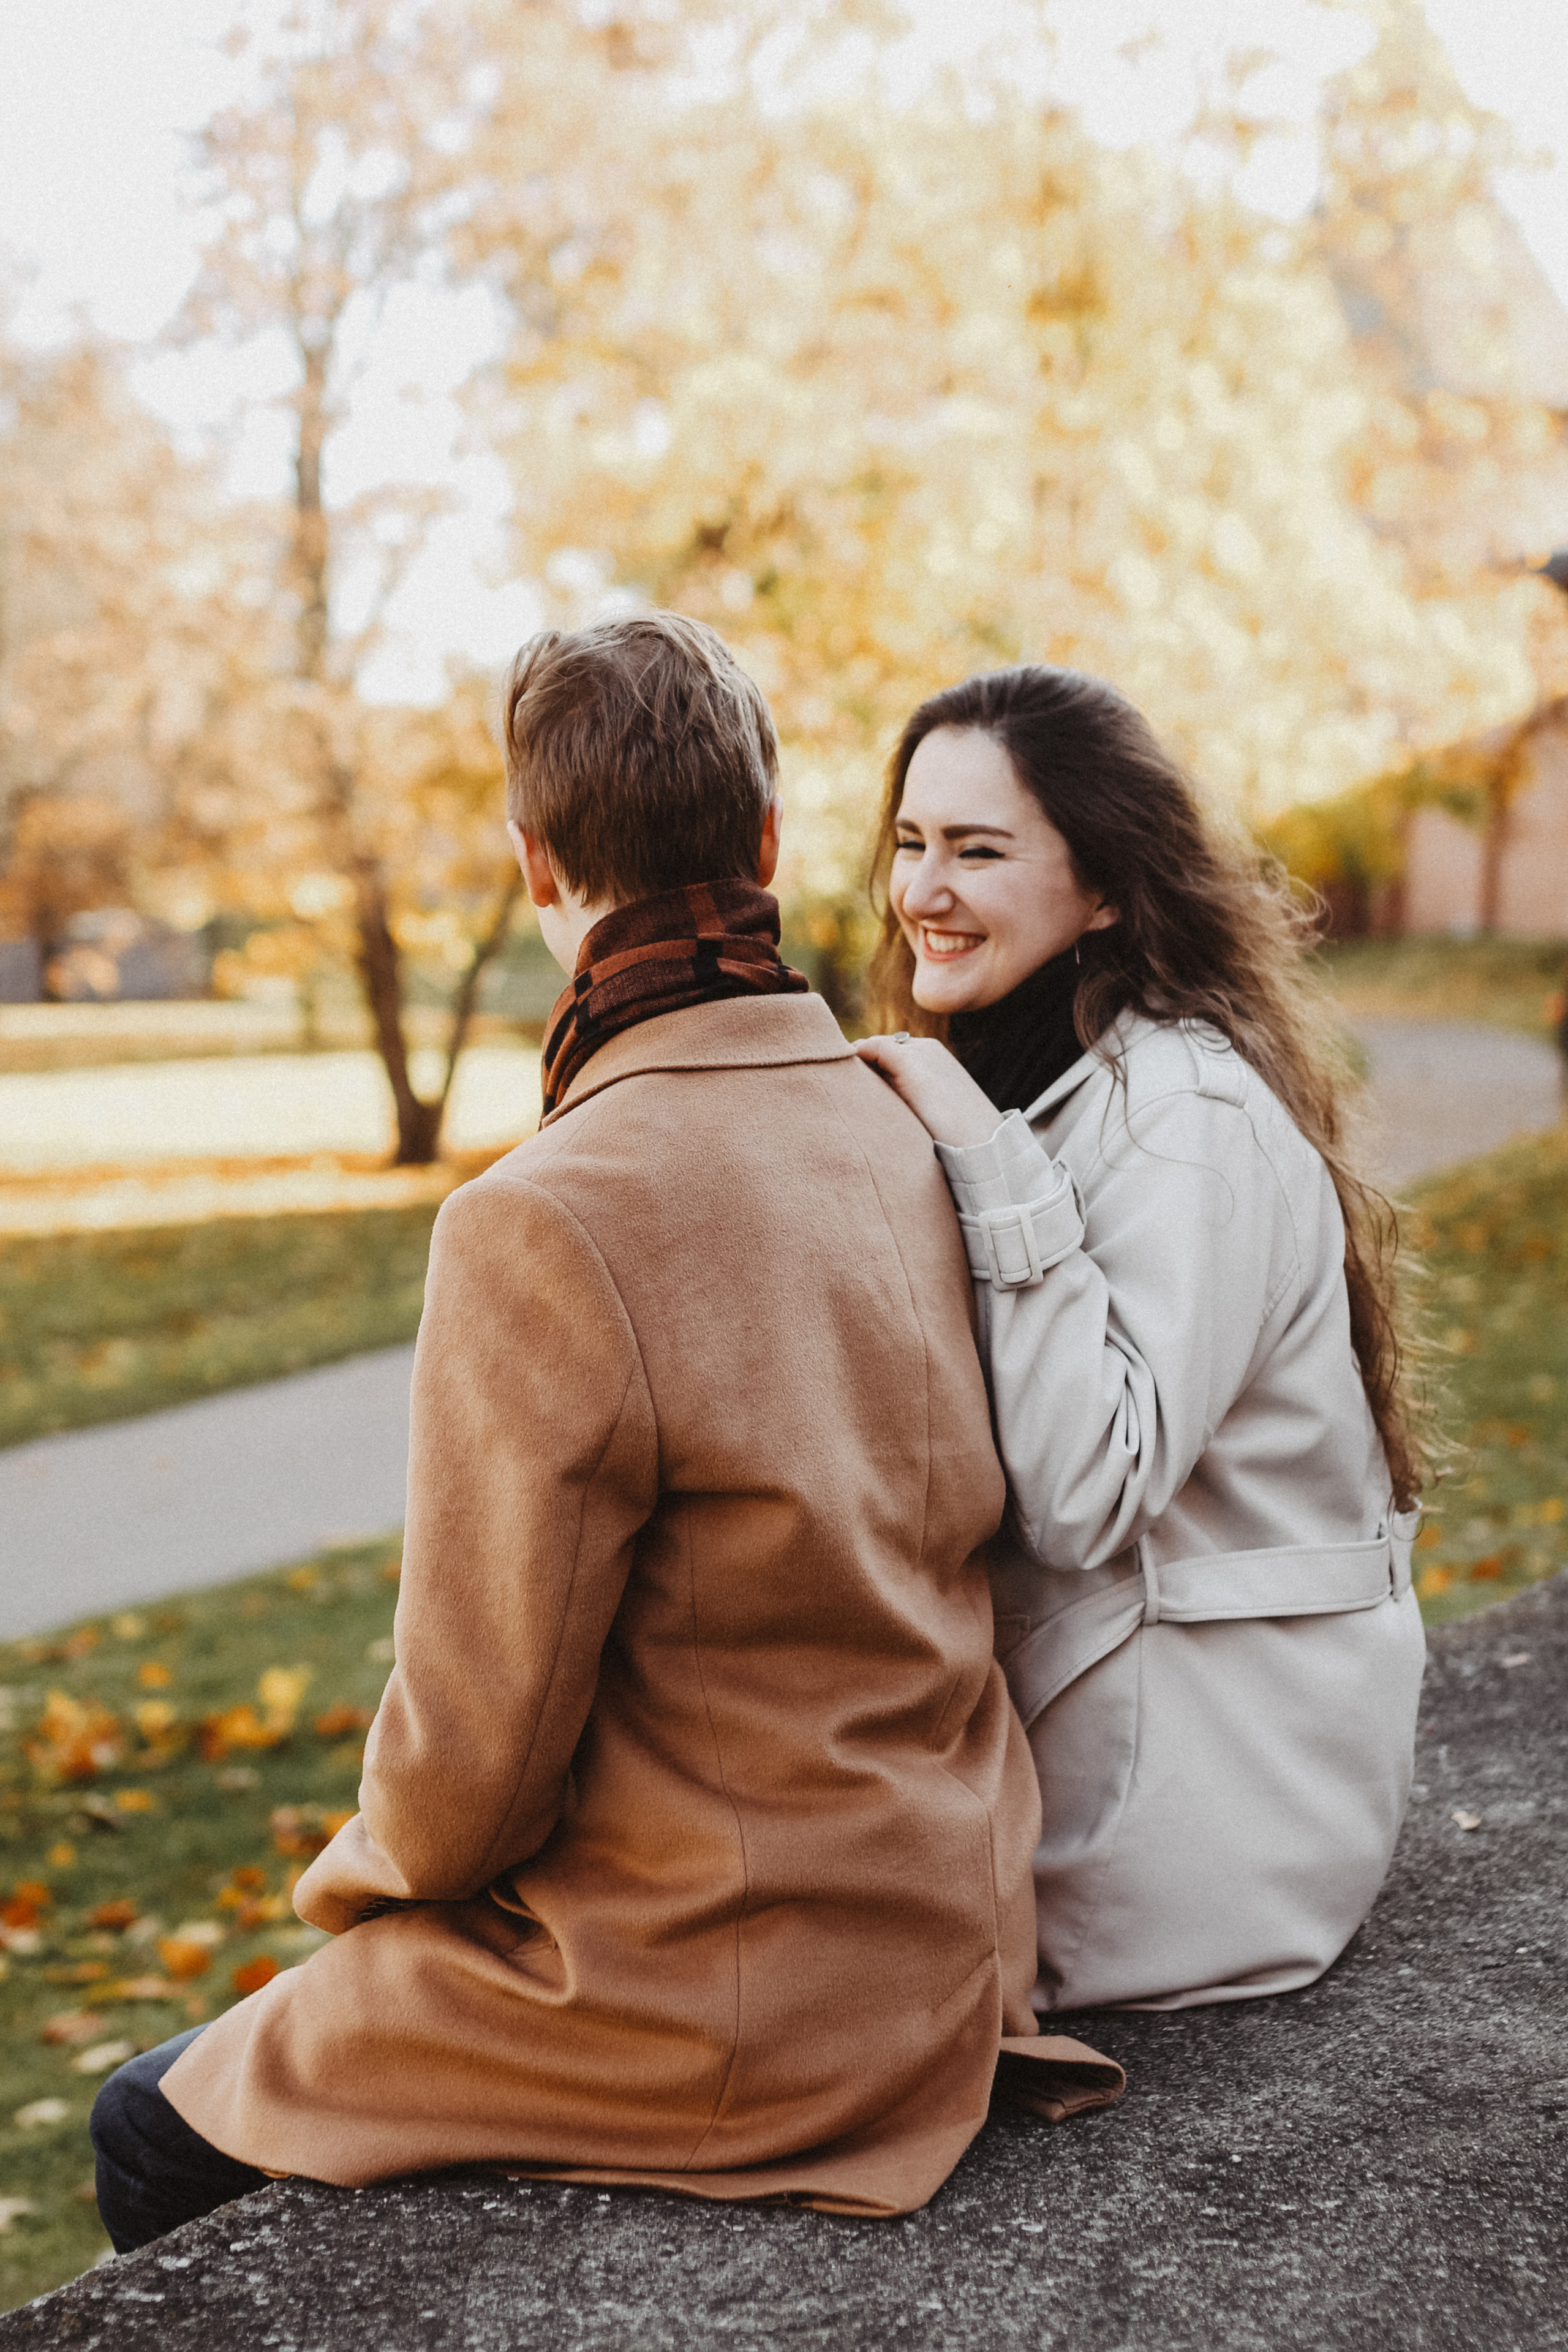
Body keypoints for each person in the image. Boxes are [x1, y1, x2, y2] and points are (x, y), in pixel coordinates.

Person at [90, 616, 1121, 2253]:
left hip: (717, 1996)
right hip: (943, 1939)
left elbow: (471, 1778)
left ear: (531, 863)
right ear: (768, 842)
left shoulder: (543, 1219)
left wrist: (354, 1895)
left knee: (147, 2121)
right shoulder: (898, 1113)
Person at [856, 664, 1427, 2014]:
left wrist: (983, 1159)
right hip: (1081, 1746)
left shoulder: (1182, 1114)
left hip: (1187, 1824)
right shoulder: (1028, 1060)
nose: (923, 891)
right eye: (909, 843)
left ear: (1104, 886)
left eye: (977, 851)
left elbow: (1082, 1491)